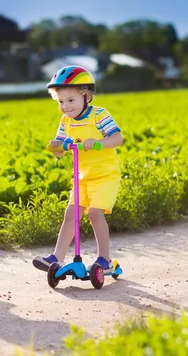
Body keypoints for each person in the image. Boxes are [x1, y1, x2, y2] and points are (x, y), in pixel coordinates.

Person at [32, 65, 123, 272]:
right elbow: (60, 147)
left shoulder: (99, 115)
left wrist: (98, 142)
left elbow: (118, 138)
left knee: (95, 213)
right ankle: (56, 257)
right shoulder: (66, 121)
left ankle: (105, 260)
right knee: (70, 214)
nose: (65, 106)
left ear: (87, 95)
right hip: (82, 177)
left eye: (70, 100)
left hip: (105, 175)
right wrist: (56, 147)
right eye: (61, 102)